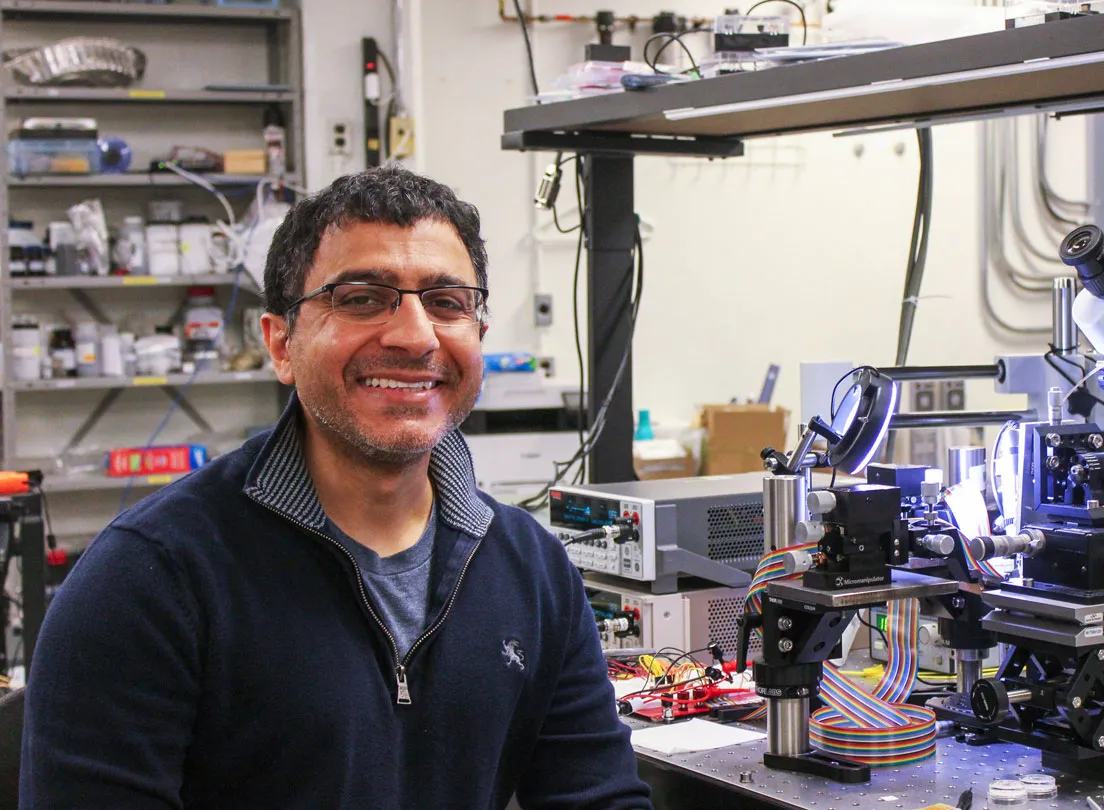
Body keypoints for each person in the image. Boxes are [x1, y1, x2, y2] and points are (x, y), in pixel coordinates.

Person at [20, 166, 652, 810]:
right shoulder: (151, 578)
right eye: (360, 298)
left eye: (446, 302)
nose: (414, 334)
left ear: (478, 336)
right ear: (281, 345)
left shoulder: (531, 569)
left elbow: (597, 798)